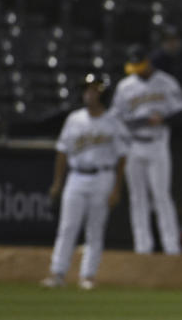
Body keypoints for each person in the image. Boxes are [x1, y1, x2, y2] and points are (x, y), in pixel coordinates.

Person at [42, 74, 129, 290]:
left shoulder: (113, 122)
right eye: (87, 89)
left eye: (94, 89)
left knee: (95, 229)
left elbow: (121, 157)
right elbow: (62, 152)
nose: (89, 93)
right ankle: (57, 273)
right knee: (67, 226)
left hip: (103, 176)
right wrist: (57, 182)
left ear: (102, 93)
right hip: (77, 176)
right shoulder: (74, 119)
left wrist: (117, 188)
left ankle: (88, 275)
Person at [110, 44, 182, 255]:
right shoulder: (125, 86)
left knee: (161, 195)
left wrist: (164, 119)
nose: (138, 69)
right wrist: (137, 122)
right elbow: (116, 118)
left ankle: (172, 247)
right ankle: (142, 247)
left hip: (158, 142)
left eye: (140, 64)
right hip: (134, 143)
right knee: (137, 197)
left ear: (148, 61)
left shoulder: (166, 82)